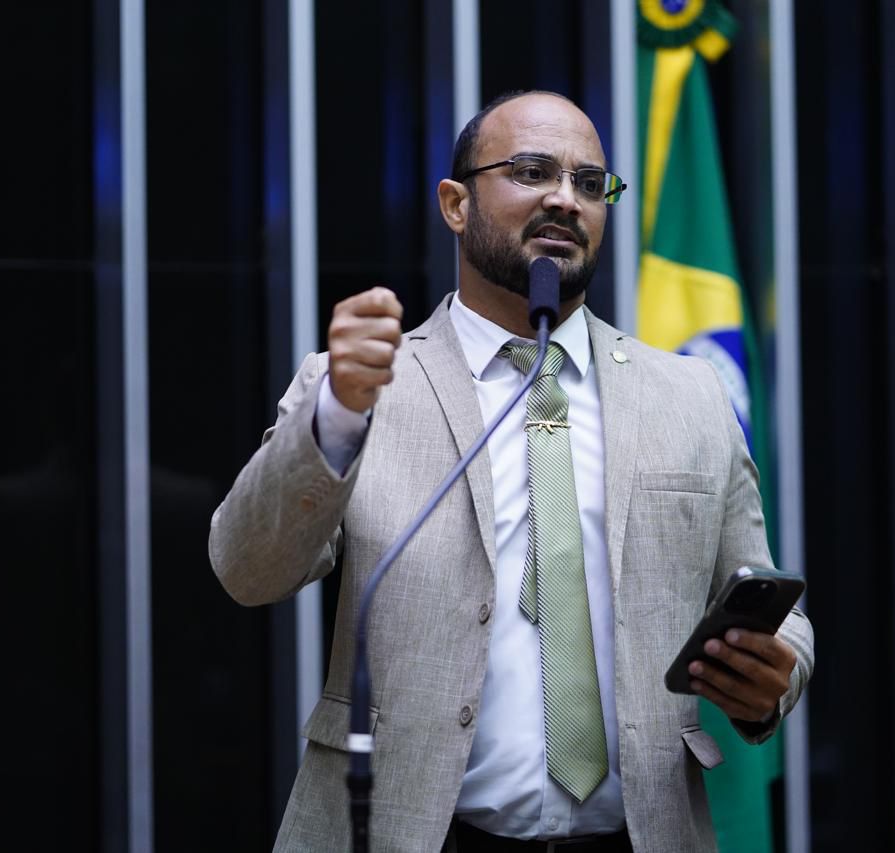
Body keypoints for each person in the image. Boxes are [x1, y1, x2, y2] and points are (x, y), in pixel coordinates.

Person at [209, 90, 813, 853]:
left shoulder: (689, 395)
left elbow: (773, 603)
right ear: (455, 204)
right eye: (532, 171)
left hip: (639, 836)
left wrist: (778, 673)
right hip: (414, 833)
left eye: (589, 183)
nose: (565, 198)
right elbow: (248, 569)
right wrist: (333, 416)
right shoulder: (363, 385)